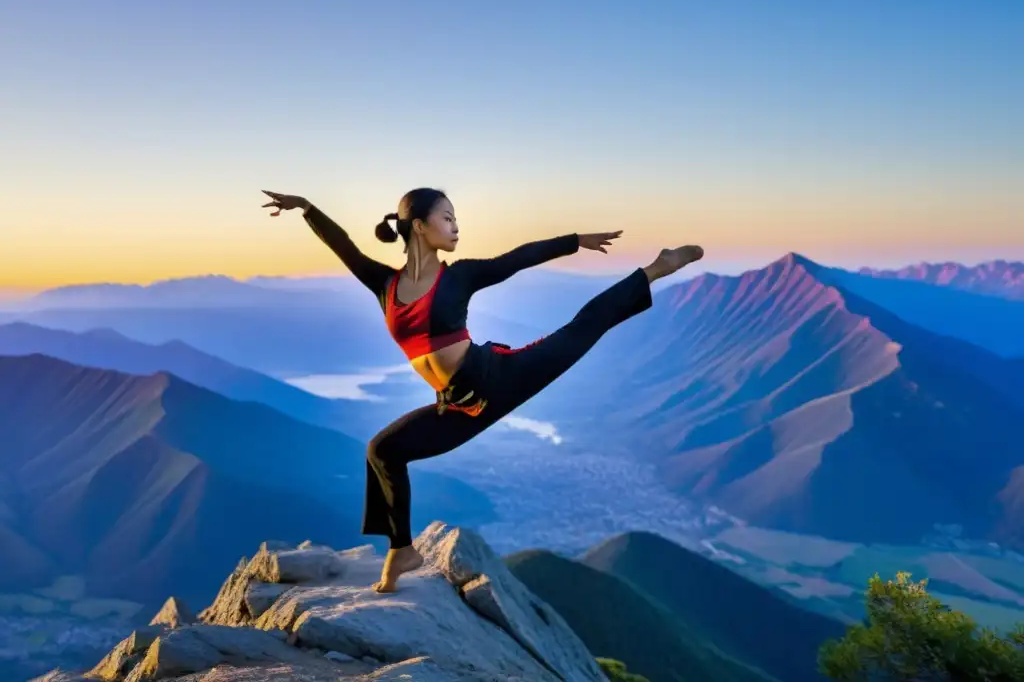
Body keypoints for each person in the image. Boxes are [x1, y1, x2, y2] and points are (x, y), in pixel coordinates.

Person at [261, 187, 704, 592]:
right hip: (457, 408)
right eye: (448, 218)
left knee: (580, 330)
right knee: (382, 450)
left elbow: (518, 258)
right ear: (419, 226)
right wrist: (307, 209)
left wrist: (574, 241)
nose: (456, 227)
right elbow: (343, 247)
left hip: (499, 377)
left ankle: (657, 268)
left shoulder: (459, 277)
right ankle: (402, 549)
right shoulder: (386, 285)